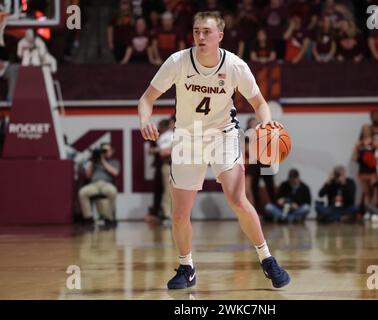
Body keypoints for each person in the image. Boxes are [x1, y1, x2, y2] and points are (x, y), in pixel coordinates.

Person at [138, 11, 290, 289]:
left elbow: (260, 103)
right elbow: (146, 99)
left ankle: (267, 259)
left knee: (237, 199)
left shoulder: (235, 66)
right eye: (197, 31)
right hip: (187, 139)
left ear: (220, 35)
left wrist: (266, 124)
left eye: (207, 32)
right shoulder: (178, 62)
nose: (201, 37)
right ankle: (187, 267)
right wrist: (145, 119)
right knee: (180, 214)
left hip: (223, 135)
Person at [78, 143, 120, 226]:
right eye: (102, 151)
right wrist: (93, 161)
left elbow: (115, 173)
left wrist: (103, 161)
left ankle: (108, 218)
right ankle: (88, 217)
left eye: (106, 151)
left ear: (111, 151)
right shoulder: (94, 162)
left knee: (113, 191)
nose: (104, 153)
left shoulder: (114, 161)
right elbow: (88, 175)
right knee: (82, 192)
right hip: (94, 185)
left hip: (106, 184)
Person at [352, 124, 378, 212]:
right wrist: (356, 148)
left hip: (372, 170)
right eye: (364, 130)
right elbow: (354, 158)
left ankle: (375, 211)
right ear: (362, 131)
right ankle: (367, 212)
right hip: (363, 171)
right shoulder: (359, 143)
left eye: (367, 129)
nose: (366, 131)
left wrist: (374, 159)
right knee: (366, 193)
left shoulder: (374, 142)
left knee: (374, 191)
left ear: (371, 131)